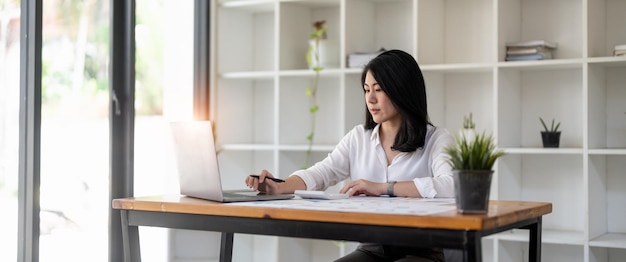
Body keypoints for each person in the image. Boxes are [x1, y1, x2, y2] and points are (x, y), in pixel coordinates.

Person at [245, 49, 455, 262]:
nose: (370, 99)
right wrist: (279, 186)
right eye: (366, 90)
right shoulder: (358, 138)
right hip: (371, 250)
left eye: (379, 89)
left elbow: (451, 185)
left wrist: (383, 188)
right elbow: (320, 174)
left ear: (403, 90)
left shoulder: (437, 139)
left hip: (421, 251)